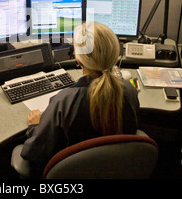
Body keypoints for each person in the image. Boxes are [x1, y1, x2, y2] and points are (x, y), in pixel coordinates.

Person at [19, 21, 140, 178]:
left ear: (78, 60)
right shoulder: (129, 90)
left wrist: (35, 126)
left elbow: (34, 152)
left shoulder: (64, 101)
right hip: (116, 171)